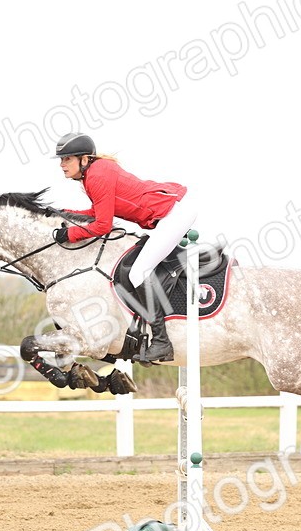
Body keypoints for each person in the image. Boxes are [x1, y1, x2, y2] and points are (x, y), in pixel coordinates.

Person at [51, 132, 195, 363]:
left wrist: (69, 234)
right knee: (139, 268)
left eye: (67, 159)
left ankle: (161, 343)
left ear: (84, 159)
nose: (62, 165)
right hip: (170, 213)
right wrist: (66, 213)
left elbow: (102, 225)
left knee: (138, 272)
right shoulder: (94, 175)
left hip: (174, 214)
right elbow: (98, 213)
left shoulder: (97, 176)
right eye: (61, 160)